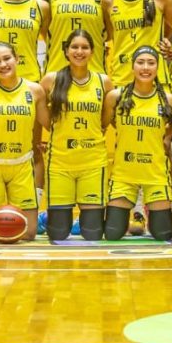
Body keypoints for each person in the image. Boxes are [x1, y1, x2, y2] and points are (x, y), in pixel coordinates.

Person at [0, 42, 49, 241]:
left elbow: (48, 123)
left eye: (7, 58)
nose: (3, 64)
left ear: (17, 59)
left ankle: (33, 216)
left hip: (22, 165)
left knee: (28, 233)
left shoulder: (35, 90)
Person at [39, 30, 112, 240]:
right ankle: (48, 217)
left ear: (92, 51)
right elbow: (44, 118)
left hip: (92, 162)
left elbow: (104, 122)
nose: (79, 51)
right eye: (74, 47)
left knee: (93, 234)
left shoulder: (103, 82)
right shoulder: (50, 80)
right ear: (66, 51)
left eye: (84, 47)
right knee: (58, 234)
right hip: (61, 163)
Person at [102, 46, 172, 241]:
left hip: (155, 174)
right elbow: (107, 123)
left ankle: (149, 208)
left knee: (163, 235)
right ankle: (135, 209)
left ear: (157, 67)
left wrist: (165, 138)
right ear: (132, 66)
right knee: (112, 233)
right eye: (140, 62)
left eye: (151, 63)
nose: (145, 67)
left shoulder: (167, 99)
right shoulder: (116, 97)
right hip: (124, 174)